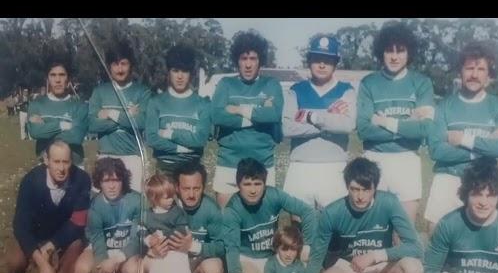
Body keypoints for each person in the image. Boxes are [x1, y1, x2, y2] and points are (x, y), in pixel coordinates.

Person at [304, 157, 424, 273]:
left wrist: (375, 256)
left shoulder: (389, 202)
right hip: (348, 268)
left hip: (381, 268)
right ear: (347, 187)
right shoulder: (333, 212)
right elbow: (316, 256)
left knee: (413, 269)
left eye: (366, 189)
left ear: (375, 187)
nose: (360, 196)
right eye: (354, 189)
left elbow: (415, 246)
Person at [223, 158, 316, 273]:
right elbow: (232, 248)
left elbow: (308, 212)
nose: (252, 190)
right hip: (247, 258)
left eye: (258, 184)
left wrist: (307, 246)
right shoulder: (232, 210)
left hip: (272, 256)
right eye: (247, 184)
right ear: (238, 185)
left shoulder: (273, 195)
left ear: (265, 184)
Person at [425, 41, 498, 231]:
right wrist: (482, 150)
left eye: (481, 69)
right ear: (460, 71)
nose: (474, 74)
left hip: (484, 185)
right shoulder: (443, 107)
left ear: (489, 75)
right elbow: (436, 150)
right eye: (469, 68)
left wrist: (463, 140)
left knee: (482, 244)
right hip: (448, 179)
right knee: (437, 236)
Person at [356, 21, 435, 224]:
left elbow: (425, 128)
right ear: (380, 52)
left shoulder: (422, 83)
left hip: (407, 160)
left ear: (409, 52)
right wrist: (408, 124)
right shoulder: (369, 83)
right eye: (388, 50)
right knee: (373, 229)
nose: (394, 56)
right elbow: (364, 130)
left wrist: (385, 122)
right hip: (374, 159)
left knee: (404, 231)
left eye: (400, 50)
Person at [6, 140, 90, 273]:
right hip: (36, 234)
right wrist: (42, 262)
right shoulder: (31, 180)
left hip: (64, 235)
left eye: (65, 162)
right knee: (15, 260)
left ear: (71, 161)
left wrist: (53, 245)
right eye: (56, 162)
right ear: (46, 160)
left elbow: (78, 222)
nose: (61, 168)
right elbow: (20, 226)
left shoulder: (82, 179)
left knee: (77, 243)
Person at [282, 34, 356, 209]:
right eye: (317, 59)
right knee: (298, 225)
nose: (322, 65)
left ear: (335, 63)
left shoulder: (346, 90)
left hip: (334, 166)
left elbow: (347, 125)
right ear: (309, 61)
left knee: (333, 226)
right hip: (300, 166)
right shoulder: (297, 90)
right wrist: (329, 121)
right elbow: (287, 128)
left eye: (328, 60)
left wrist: (310, 117)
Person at [211, 31, 284, 208]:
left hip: (262, 162)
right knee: (226, 223)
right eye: (244, 59)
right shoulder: (226, 84)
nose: (249, 64)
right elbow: (217, 116)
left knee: (262, 226)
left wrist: (238, 109)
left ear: (260, 60)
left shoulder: (271, 84)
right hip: (229, 162)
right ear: (237, 60)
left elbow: (274, 114)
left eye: (253, 58)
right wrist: (258, 115)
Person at [74, 158, 142, 273]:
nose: (111, 186)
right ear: (99, 182)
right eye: (106, 180)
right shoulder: (95, 207)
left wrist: (117, 259)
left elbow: (137, 239)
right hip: (102, 249)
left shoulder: (135, 200)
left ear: (123, 180)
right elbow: (99, 247)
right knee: (81, 272)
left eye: (116, 180)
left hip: (125, 251)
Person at [88, 40, 152, 192]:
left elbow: (142, 122)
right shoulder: (99, 92)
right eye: (115, 64)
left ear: (131, 66)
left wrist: (110, 114)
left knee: (133, 206)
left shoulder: (143, 92)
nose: (120, 69)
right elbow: (91, 124)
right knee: (104, 205)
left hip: (133, 158)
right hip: (105, 156)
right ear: (109, 66)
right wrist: (127, 117)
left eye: (124, 63)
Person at [146, 44, 211, 174]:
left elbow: (200, 140)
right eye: (175, 71)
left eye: (184, 71)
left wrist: (169, 134)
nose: (180, 76)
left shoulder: (203, 104)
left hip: (192, 170)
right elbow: (151, 138)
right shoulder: (156, 102)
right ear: (168, 72)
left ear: (191, 73)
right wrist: (179, 148)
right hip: (165, 167)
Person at [143, 173, 193, 273]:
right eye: (166, 197)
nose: (171, 199)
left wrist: (162, 236)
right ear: (154, 198)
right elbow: (141, 230)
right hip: (160, 255)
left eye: (172, 196)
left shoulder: (177, 212)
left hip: (176, 254)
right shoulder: (147, 215)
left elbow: (181, 232)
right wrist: (149, 240)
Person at [27, 56, 89, 167]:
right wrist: (64, 125)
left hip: (74, 166)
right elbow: (35, 132)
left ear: (68, 79)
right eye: (53, 75)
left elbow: (76, 137)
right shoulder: (36, 104)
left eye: (62, 75)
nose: (57, 80)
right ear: (47, 79)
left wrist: (45, 130)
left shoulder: (80, 105)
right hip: (45, 166)